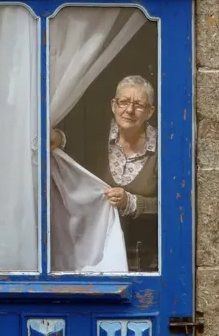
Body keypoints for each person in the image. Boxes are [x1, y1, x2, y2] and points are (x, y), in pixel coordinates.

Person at [51, 75, 158, 271]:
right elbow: (73, 146)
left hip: (146, 260)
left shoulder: (163, 148)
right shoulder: (95, 137)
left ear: (150, 111)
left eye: (139, 105)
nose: (130, 110)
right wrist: (59, 138)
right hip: (95, 255)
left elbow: (173, 205)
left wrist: (131, 202)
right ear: (113, 105)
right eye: (123, 102)